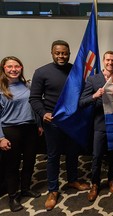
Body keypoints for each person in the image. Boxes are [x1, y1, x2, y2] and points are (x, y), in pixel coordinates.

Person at [29, 40, 90, 211]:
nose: (61, 56)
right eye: (58, 53)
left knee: (73, 153)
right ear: (52, 53)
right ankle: (53, 190)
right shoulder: (41, 72)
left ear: (69, 53)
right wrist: (43, 114)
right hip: (53, 122)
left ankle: (72, 180)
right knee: (53, 156)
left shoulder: (76, 71)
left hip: (73, 121)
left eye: (65, 53)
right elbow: (34, 98)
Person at [0, 56, 42, 212]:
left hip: (30, 129)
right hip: (11, 130)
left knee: (30, 161)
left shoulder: (27, 86)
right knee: (12, 165)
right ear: (3, 69)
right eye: (9, 66)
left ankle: (25, 188)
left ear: (21, 68)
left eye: (17, 66)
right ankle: (13, 196)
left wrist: (38, 124)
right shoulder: (1, 88)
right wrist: (1, 138)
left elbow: (33, 105)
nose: (13, 69)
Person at [79, 51, 113, 202]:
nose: (111, 63)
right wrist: (95, 95)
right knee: (97, 155)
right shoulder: (93, 79)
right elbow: (82, 102)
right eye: (108, 60)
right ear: (103, 61)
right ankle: (95, 184)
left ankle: (112, 179)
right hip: (100, 123)